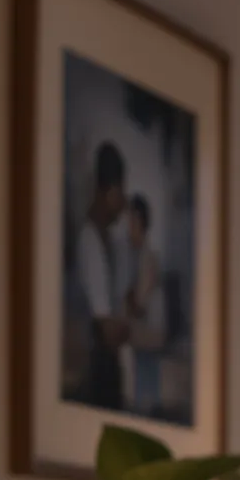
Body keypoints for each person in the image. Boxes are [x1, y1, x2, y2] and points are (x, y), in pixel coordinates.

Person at [70, 140, 130, 410]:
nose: (124, 202)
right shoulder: (89, 242)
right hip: (96, 369)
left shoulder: (109, 242)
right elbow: (106, 328)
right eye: (121, 192)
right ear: (109, 191)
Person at [121, 192, 165, 415]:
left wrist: (128, 301)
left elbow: (140, 301)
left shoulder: (148, 257)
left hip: (148, 335)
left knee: (146, 397)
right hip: (142, 337)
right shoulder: (135, 255)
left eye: (132, 220)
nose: (129, 227)